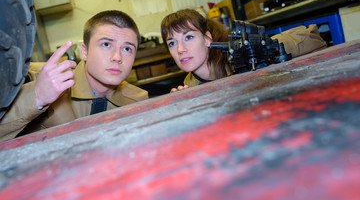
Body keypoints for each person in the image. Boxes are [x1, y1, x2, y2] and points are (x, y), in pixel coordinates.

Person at [0, 10, 149, 142]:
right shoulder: (36, 80)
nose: (117, 57)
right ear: (84, 51)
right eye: (106, 44)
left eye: (127, 49)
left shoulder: (138, 100)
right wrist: (37, 97)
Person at [161, 9, 232, 92]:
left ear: (207, 39)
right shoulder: (189, 83)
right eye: (172, 43)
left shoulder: (235, 65)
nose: (180, 50)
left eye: (188, 37)